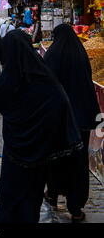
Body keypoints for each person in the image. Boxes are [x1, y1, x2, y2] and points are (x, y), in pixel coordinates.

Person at [0, 29, 83, 224]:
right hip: (40, 150)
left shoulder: (7, 78)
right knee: (31, 196)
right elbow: (60, 103)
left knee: (11, 193)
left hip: (14, 150)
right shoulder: (44, 78)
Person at [43, 23, 100, 222]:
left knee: (57, 158)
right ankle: (75, 208)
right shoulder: (80, 54)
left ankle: (52, 194)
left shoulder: (52, 55)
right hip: (80, 119)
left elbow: (47, 85)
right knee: (78, 161)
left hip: (59, 118)